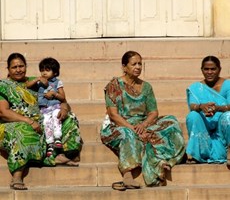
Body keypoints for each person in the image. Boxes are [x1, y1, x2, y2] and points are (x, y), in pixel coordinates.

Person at [100, 50, 185, 189]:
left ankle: (163, 160)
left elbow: (153, 112)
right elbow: (113, 114)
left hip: (142, 124)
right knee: (127, 134)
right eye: (134, 64)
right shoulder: (114, 86)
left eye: (140, 64)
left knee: (171, 122)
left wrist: (144, 125)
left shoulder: (146, 87)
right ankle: (127, 176)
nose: (138, 67)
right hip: (119, 125)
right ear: (124, 66)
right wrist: (132, 128)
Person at [0, 53, 82, 190]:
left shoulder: (38, 81)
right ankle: (17, 175)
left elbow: (62, 100)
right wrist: (28, 121)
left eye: (21, 66)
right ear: (8, 69)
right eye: (14, 67)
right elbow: (3, 112)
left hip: (42, 120)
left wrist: (64, 109)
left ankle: (60, 154)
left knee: (68, 118)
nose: (18, 69)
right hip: (12, 123)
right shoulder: (3, 85)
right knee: (23, 132)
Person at [186, 55, 230, 165]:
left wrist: (218, 108)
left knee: (229, 116)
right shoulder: (196, 87)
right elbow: (192, 105)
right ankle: (198, 153)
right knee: (192, 116)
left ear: (219, 69)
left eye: (213, 69)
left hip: (222, 129)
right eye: (206, 69)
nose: (209, 72)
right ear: (202, 70)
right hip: (204, 128)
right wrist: (201, 106)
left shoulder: (227, 85)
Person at [26, 57, 66, 157]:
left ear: (55, 72)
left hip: (55, 106)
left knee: (56, 118)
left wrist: (54, 94)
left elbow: (62, 97)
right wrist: (37, 79)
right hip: (44, 108)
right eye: (42, 70)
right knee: (46, 122)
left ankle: (57, 137)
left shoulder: (57, 82)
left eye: (47, 70)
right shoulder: (39, 82)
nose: (44, 73)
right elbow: (27, 85)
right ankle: (50, 143)